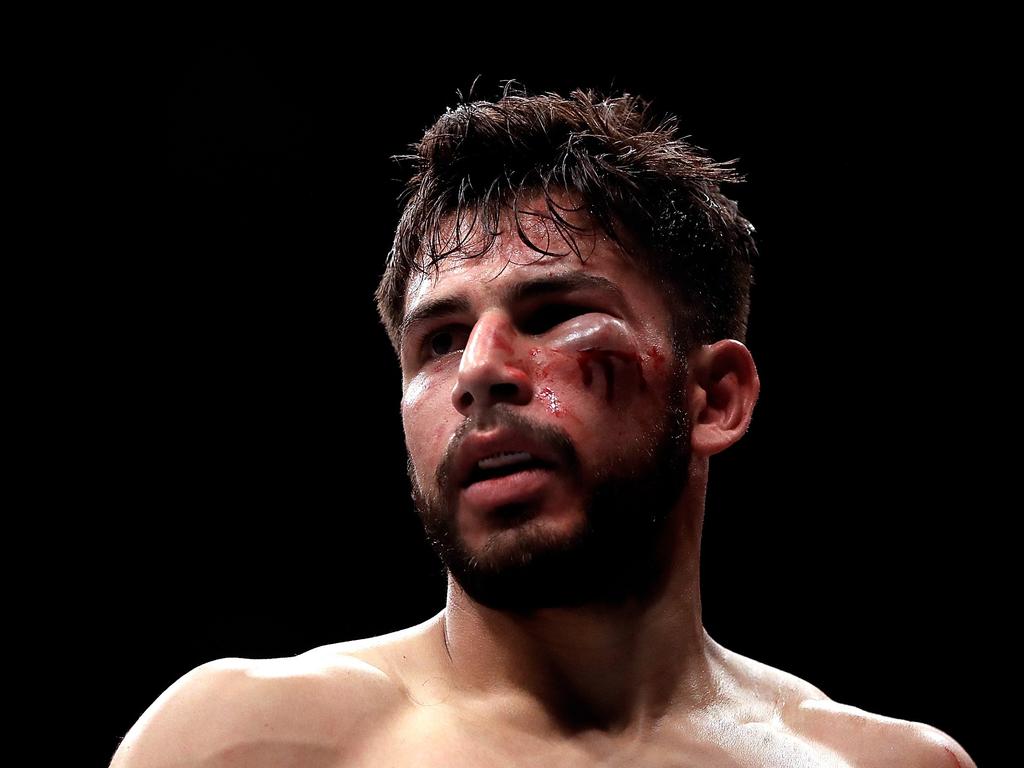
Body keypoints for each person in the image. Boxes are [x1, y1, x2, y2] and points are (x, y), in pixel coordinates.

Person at [111, 83, 976, 767]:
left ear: (715, 397)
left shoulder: (873, 764)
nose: (481, 372)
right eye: (439, 341)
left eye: (554, 312)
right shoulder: (243, 745)